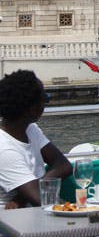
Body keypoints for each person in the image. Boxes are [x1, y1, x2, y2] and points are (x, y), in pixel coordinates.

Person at [0, 70, 72, 209]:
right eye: (45, 99)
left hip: (32, 213)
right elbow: (41, 200)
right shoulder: (4, 149)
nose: (46, 103)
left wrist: (21, 197)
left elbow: (63, 165)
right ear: (32, 109)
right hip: (13, 226)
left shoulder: (30, 129)